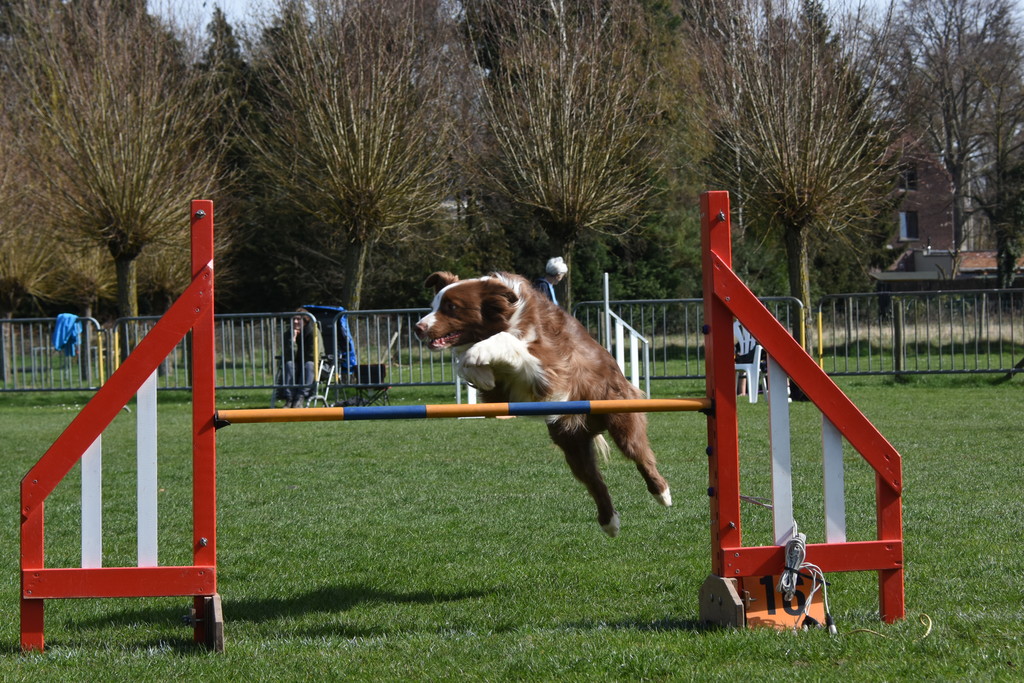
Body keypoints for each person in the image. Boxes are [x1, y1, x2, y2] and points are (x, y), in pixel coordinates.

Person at [281, 309, 317, 408]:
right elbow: (289, 356)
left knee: (309, 365)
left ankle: (300, 398)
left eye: (298, 319)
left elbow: (312, 355)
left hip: (311, 364)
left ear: (305, 321)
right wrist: (293, 340)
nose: (295, 321)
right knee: (289, 364)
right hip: (296, 363)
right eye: (293, 319)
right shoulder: (288, 334)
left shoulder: (313, 333)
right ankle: (289, 398)